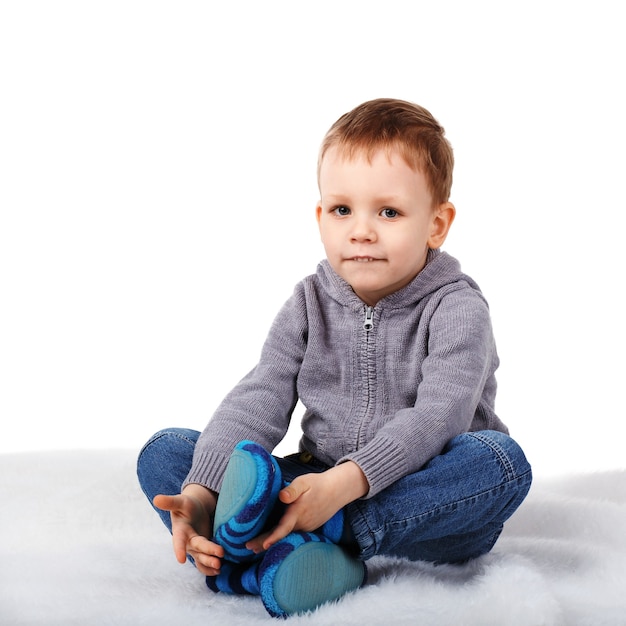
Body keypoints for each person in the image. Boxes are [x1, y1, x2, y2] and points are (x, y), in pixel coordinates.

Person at [137, 98, 532, 618]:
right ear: (321, 215)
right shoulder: (308, 301)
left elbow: (440, 417)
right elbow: (262, 393)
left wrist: (342, 492)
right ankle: (252, 551)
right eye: (343, 209)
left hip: (424, 502)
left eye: (388, 212)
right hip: (313, 477)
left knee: (501, 462)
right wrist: (202, 492)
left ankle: (334, 533)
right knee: (166, 451)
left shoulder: (456, 306)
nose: (361, 230)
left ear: (437, 224)